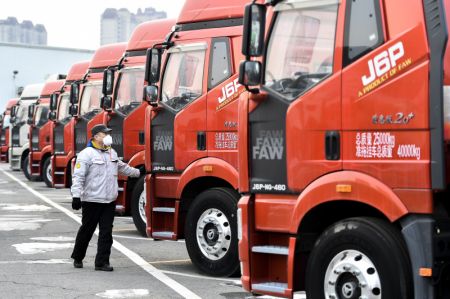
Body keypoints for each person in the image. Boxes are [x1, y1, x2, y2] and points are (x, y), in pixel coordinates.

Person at [70, 124, 142, 271]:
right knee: (87, 230)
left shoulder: (112, 152)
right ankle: (78, 257)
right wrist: (76, 196)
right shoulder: (86, 154)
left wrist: (139, 172)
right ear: (96, 136)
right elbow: (78, 176)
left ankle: (102, 262)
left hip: (109, 200)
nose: (108, 136)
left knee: (106, 232)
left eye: (108, 133)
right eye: (105, 134)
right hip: (91, 200)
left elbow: (122, 167)